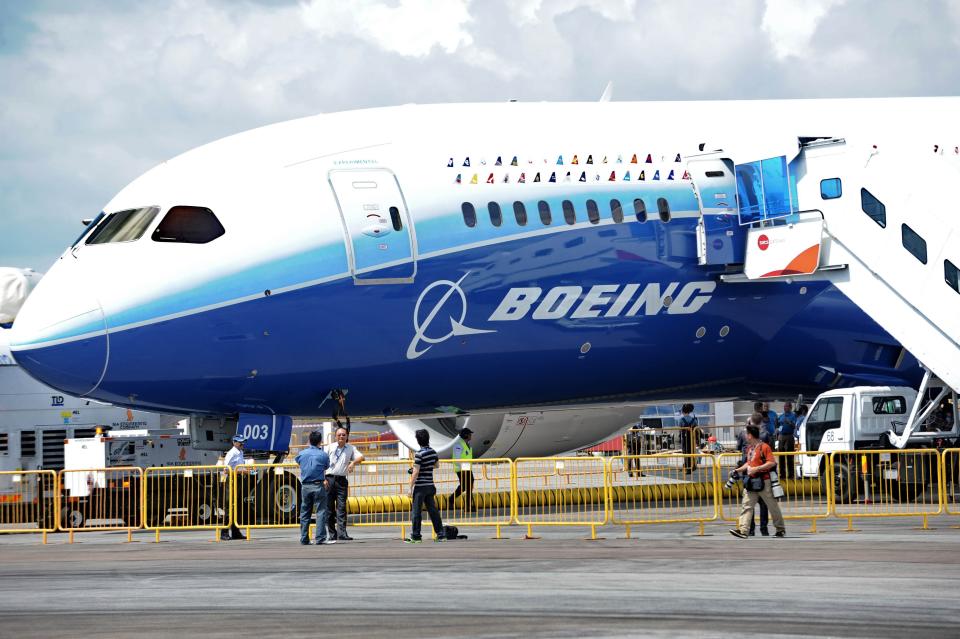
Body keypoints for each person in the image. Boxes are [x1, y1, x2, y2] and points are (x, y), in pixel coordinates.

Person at [730, 424, 786, 539]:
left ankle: (780, 529)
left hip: (764, 482)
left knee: (772, 506)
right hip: (751, 482)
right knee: (747, 505)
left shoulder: (764, 447)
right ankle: (743, 530)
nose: (745, 436)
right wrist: (738, 470)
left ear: (750, 435)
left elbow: (772, 462)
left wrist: (757, 469)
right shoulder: (750, 449)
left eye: (746, 434)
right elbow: (749, 464)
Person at [404, 428, 445, 543]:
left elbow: (416, 472)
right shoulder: (433, 452)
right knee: (433, 511)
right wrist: (425, 467)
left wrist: (410, 487)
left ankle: (416, 536)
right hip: (430, 485)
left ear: (418, 440)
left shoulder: (419, 454)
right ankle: (441, 534)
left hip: (420, 487)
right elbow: (436, 465)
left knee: (416, 512)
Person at [324, 426, 364, 541]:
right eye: (339, 435)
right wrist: (323, 479)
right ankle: (332, 534)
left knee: (341, 508)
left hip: (341, 480)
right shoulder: (329, 447)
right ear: (335, 436)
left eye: (343, 435)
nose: (341, 436)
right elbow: (322, 463)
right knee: (329, 509)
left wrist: (353, 463)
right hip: (329, 479)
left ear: (347, 436)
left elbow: (362, 457)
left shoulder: (350, 448)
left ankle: (342, 533)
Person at [736, 413, 771, 536]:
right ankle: (764, 528)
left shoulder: (743, 434)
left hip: (748, 471)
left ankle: (750, 529)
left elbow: (738, 447)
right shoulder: (765, 434)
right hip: (761, 472)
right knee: (763, 502)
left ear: (750, 421)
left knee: (748, 503)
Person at [295, 431, 332, 545]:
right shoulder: (323, 455)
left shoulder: (301, 454)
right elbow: (326, 466)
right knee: (321, 512)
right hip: (318, 485)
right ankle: (320, 538)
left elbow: (298, 462)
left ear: (309, 440)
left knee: (305, 512)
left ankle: (304, 538)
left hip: (305, 486)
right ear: (320, 441)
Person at [221, 434, 248, 541]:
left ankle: (235, 531)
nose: (242, 444)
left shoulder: (240, 452)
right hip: (232, 480)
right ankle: (224, 532)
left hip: (238, 479)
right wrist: (241, 471)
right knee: (230, 506)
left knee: (236, 506)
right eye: (240, 442)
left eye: (243, 442)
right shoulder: (232, 453)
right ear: (234, 442)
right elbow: (226, 469)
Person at [450, 427, 475, 511]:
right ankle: (467, 505)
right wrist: (462, 470)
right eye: (469, 434)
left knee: (468, 485)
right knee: (466, 486)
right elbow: (457, 459)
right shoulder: (459, 444)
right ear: (465, 435)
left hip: (467, 467)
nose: (471, 436)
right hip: (461, 468)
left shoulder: (466, 443)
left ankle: (468, 505)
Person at [777, 401, 798, 479]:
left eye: (786, 406)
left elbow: (795, 426)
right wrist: (778, 431)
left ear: (790, 407)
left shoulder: (793, 416)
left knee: (789, 456)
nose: (785, 408)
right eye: (784, 406)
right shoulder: (781, 416)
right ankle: (782, 474)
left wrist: (789, 422)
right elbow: (779, 425)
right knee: (781, 456)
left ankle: (791, 475)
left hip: (789, 436)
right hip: (781, 436)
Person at [678, 403, 699, 474]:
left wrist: (679, 439)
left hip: (684, 439)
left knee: (686, 453)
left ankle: (688, 468)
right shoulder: (694, 420)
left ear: (683, 411)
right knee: (692, 452)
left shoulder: (681, 420)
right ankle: (693, 466)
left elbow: (680, 431)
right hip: (692, 439)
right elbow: (696, 430)